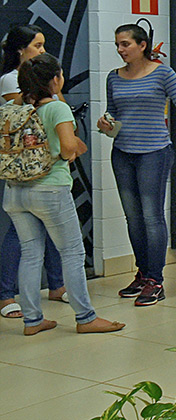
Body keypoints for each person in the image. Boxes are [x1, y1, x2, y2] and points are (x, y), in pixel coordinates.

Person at [96, 24, 176, 307]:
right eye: (117, 44)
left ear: (142, 45)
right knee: (133, 217)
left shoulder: (162, 72)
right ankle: (142, 273)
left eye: (125, 44)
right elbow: (113, 113)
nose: (120, 49)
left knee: (152, 216)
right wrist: (105, 123)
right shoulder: (113, 78)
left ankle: (155, 280)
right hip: (123, 153)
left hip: (154, 152)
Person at [5, 53, 124, 335]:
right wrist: (67, 149)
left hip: (14, 191)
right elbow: (69, 148)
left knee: (30, 253)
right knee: (71, 251)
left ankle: (32, 321)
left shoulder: (15, 107)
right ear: (55, 80)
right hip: (49, 188)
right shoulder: (57, 109)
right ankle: (85, 317)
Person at [0, 25, 68, 320]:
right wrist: (49, 93)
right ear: (20, 50)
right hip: (24, 168)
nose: (42, 51)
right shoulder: (10, 79)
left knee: (52, 230)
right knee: (20, 235)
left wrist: (56, 89)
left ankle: (56, 284)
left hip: (47, 166)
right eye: (37, 46)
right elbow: (31, 113)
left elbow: (59, 111)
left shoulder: (45, 82)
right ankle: (5, 294)